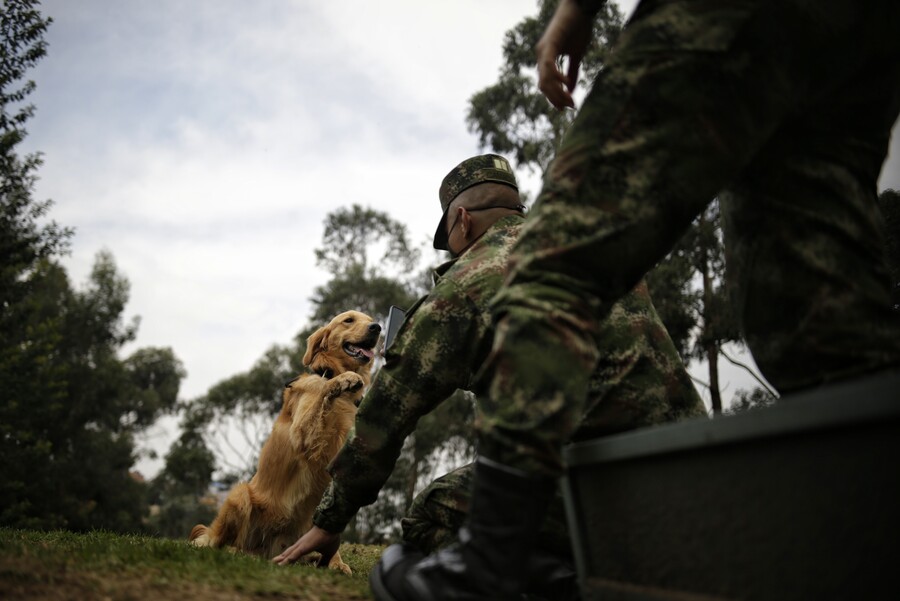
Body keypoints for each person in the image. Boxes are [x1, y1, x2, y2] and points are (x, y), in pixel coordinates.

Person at [371, 0, 900, 599]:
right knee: (823, 311)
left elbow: (388, 409)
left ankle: (487, 565)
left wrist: (575, 10)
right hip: (861, 27)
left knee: (549, 272)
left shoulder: (467, 280)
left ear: (460, 221)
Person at [273, 154, 706, 598]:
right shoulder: (589, 247)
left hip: (602, 488)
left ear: (462, 221)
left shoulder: (467, 283)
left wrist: (329, 523)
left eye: (452, 242)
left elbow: (383, 418)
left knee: (430, 513)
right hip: (701, 476)